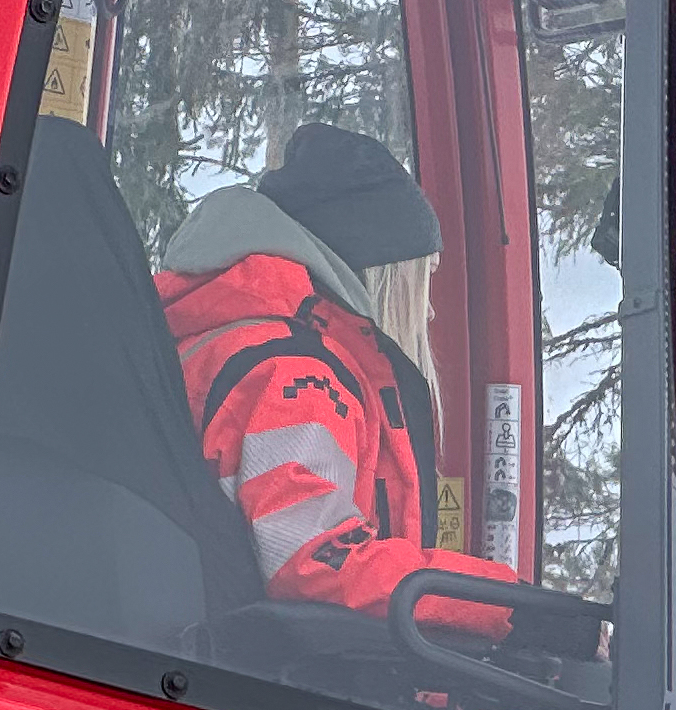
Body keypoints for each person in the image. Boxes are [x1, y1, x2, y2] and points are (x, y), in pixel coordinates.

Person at [158, 122, 518, 633]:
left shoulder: (220, 333)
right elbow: (312, 559)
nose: (429, 314)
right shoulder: (296, 374)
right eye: (420, 286)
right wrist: (508, 610)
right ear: (380, 273)